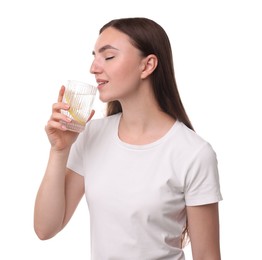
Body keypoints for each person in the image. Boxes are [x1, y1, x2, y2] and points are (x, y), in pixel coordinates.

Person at [34, 17, 222, 260]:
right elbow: (45, 228)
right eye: (94, 56)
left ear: (147, 65)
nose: (94, 67)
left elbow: (207, 256)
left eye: (108, 57)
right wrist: (59, 151)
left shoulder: (193, 153)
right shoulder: (92, 134)